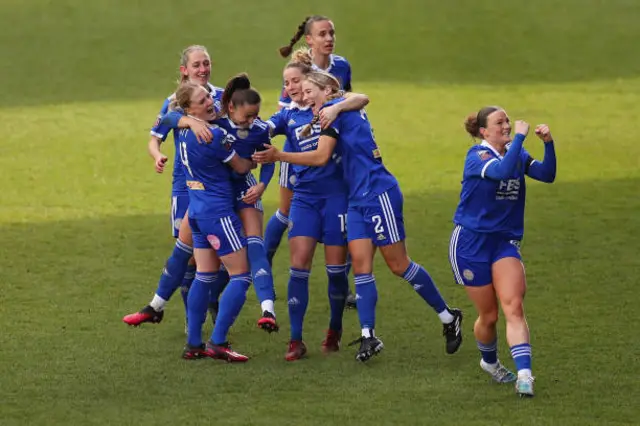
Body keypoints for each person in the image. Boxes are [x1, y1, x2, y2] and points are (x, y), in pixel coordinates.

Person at [253, 71, 464, 362]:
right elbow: (357, 99)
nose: (303, 97)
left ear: (327, 90)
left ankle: (448, 316)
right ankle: (368, 335)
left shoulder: (337, 110)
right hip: (355, 199)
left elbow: (321, 156)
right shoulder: (336, 109)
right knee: (362, 267)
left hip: (378, 192)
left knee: (398, 264)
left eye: (309, 91)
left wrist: (280, 156)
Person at [265, 50, 370, 360]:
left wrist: (339, 106)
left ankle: (335, 328)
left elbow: (360, 98)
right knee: (299, 266)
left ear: (309, 80)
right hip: (306, 199)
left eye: (296, 81)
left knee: (336, 271)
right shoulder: (288, 115)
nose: (292, 87)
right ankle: (295, 340)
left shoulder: (329, 107)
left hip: (337, 197)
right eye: (286, 83)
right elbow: (262, 129)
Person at [449, 106, 556, 397]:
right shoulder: (477, 157)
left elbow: (547, 175)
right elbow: (502, 171)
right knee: (489, 315)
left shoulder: (515, 153)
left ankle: (524, 375)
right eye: (500, 122)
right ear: (484, 131)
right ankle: (490, 362)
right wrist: (520, 138)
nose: (507, 125)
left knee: (514, 306)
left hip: (503, 242)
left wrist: (548, 143)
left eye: (508, 121)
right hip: (471, 244)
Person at [163, 74, 279, 333]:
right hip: (217, 201)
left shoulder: (257, 129)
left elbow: (268, 158)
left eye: (254, 116)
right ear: (230, 108)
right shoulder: (215, 124)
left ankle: (267, 309)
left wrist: (261, 185)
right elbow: (169, 118)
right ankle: (162, 307)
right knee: (195, 260)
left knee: (253, 247)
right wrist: (188, 121)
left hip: (240, 195)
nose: (251, 122)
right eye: (246, 117)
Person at [123, 45, 227, 328]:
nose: (203, 69)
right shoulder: (172, 102)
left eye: (206, 63)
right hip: (184, 186)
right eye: (196, 65)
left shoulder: (218, 97)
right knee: (191, 257)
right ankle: (195, 321)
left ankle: (204, 311)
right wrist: (158, 156)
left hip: (216, 184)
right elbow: (155, 137)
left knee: (218, 257)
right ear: (184, 70)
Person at [263, 16, 357, 309]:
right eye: (322, 34)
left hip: (330, 151)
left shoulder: (341, 66)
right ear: (309, 40)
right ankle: (260, 272)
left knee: (344, 213)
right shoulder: (299, 71)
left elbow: (346, 98)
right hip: (297, 154)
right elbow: (287, 114)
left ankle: (342, 285)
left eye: (332, 32)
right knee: (285, 212)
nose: (329, 38)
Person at [173, 81, 254, 362]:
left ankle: (193, 342)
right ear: (189, 108)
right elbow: (242, 167)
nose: (210, 101)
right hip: (217, 214)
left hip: (195, 213)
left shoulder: (183, 130)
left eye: (208, 95)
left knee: (204, 275)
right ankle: (218, 341)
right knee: (241, 276)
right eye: (202, 100)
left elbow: (170, 116)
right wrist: (257, 158)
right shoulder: (213, 135)